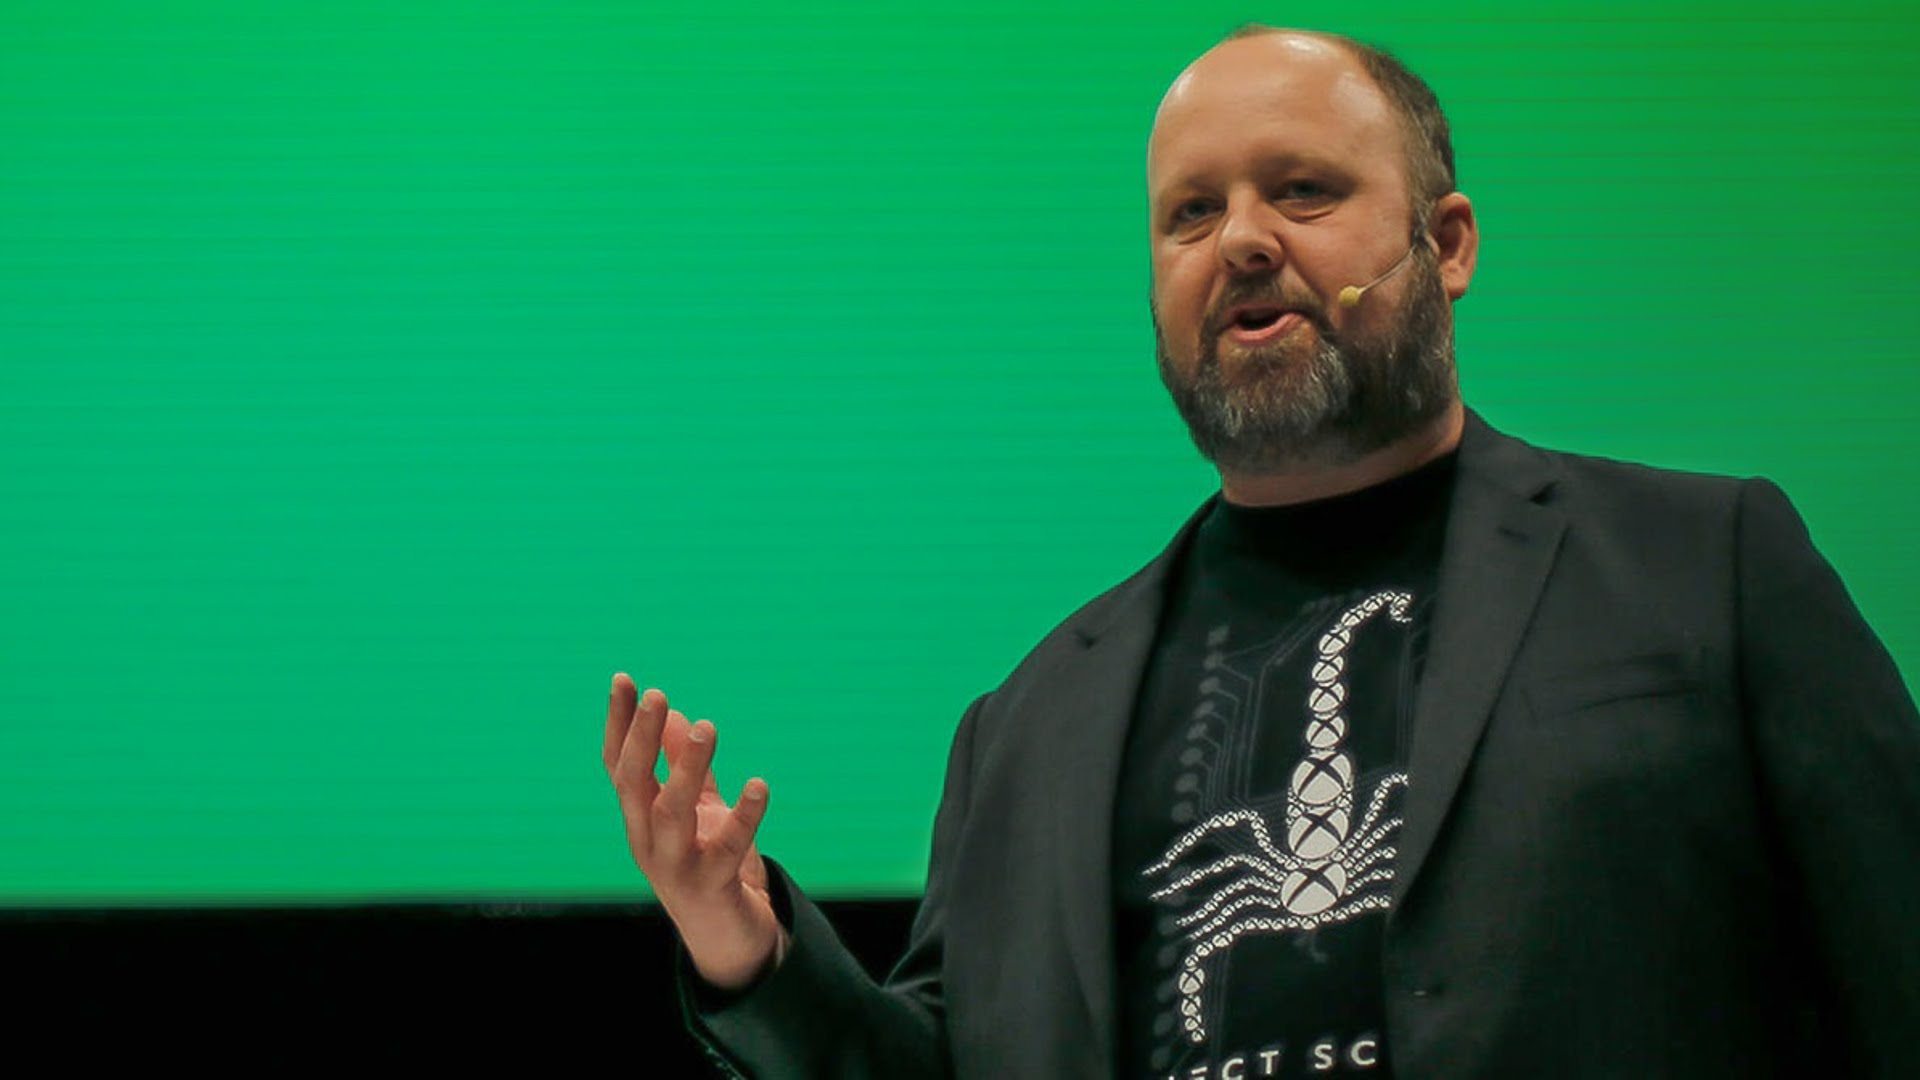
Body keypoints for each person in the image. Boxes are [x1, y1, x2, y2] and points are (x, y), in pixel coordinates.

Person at [603, 26, 1920, 1079]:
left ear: (1446, 245)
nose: (1240, 240)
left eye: (1302, 190)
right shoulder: (1026, 725)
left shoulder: (1706, 568)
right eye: (1190, 213)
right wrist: (752, 954)